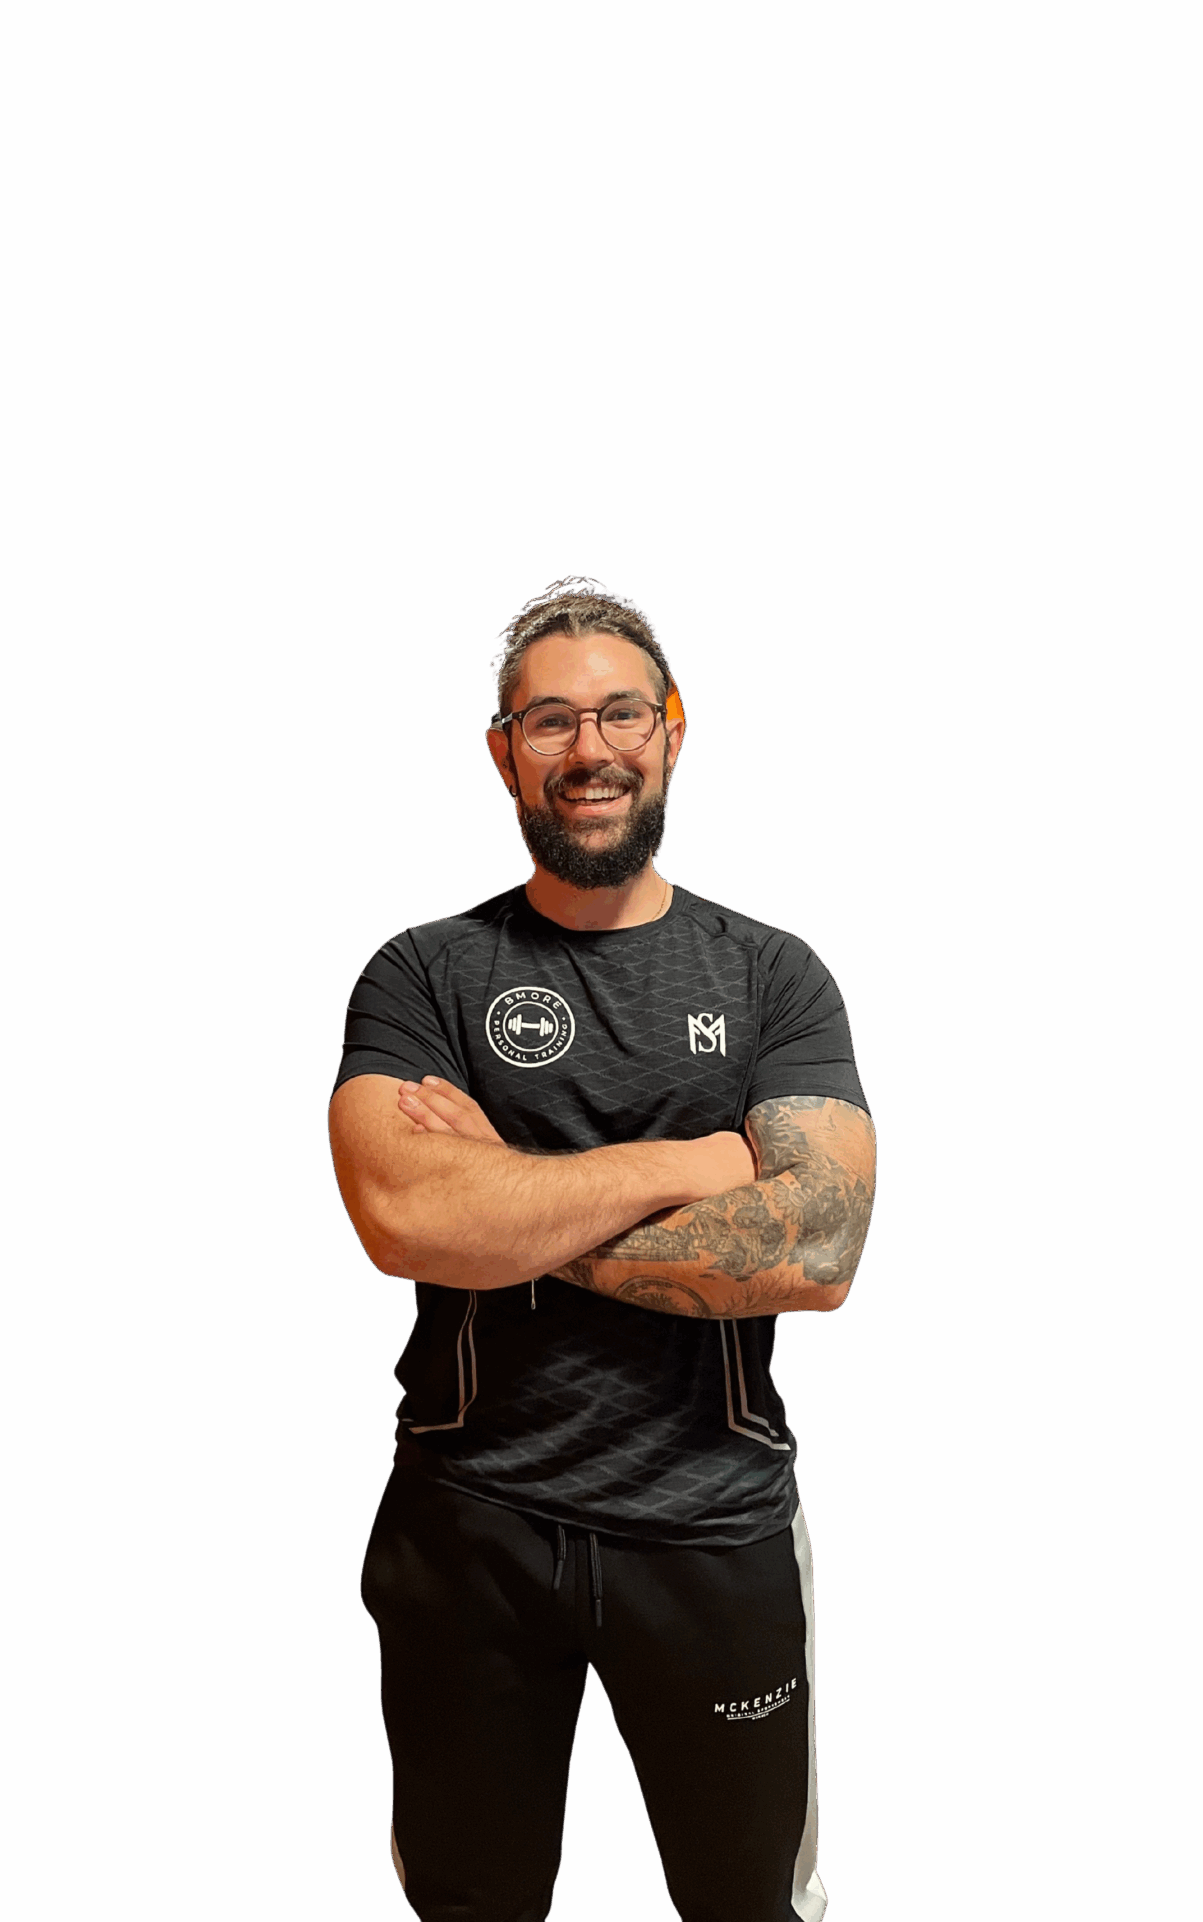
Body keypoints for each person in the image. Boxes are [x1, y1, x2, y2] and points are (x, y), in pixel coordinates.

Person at [329, 578, 875, 1922]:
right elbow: (404, 1219)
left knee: (752, 1905)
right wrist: (695, 1163)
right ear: (504, 752)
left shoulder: (773, 977)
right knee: (469, 1903)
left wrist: (506, 1208)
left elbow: (818, 1243)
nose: (592, 749)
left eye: (622, 713)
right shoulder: (423, 971)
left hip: (715, 1526)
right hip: (466, 1526)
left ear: (672, 733)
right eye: (551, 721)